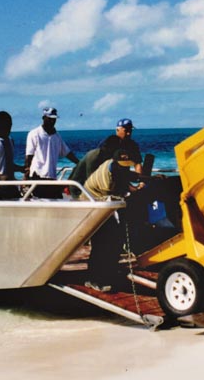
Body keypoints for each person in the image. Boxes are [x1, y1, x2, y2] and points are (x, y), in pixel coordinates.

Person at [83, 149, 142, 292]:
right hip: (94, 204)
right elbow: (117, 195)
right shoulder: (107, 180)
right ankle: (93, 279)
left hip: (105, 203)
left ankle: (109, 272)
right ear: (116, 164)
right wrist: (134, 190)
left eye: (127, 165)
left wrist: (143, 179)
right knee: (101, 241)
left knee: (115, 239)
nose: (125, 167)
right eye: (123, 166)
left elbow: (125, 177)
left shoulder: (115, 167)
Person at [69, 118, 144, 188]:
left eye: (130, 130)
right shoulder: (110, 142)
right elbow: (104, 166)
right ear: (117, 130)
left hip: (120, 177)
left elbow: (137, 164)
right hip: (102, 175)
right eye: (126, 130)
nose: (128, 133)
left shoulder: (132, 145)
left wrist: (141, 182)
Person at [24, 106, 79, 199]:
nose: (52, 122)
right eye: (50, 119)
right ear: (44, 118)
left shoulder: (57, 136)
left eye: (54, 119)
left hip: (52, 177)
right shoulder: (34, 134)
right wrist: (25, 175)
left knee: (57, 200)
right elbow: (29, 155)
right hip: (37, 176)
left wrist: (79, 163)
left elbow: (67, 153)